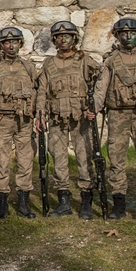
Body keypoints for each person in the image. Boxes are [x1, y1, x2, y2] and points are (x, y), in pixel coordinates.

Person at [92, 18, 136, 220]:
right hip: (118, 115)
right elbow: (101, 87)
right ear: (117, 36)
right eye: (123, 33)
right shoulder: (111, 60)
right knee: (116, 159)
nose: (128, 37)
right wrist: (95, 107)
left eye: (132, 33)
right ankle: (119, 204)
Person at [36, 21, 101, 218]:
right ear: (54, 40)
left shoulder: (84, 61)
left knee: (84, 157)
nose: (63, 39)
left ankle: (86, 201)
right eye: (59, 37)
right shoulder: (49, 64)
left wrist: (95, 105)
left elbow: (102, 80)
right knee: (58, 158)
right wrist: (40, 115)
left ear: (74, 39)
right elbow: (42, 92)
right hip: (56, 118)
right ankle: (64, 201)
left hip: (80, 118)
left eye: (67, 36)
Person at [0, 27, 38, 218]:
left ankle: (23, 204)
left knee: (25, 161)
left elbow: (38, 92)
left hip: (25, 122)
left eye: (15, 42)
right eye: (6, 43)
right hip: (2, 121)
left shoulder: (28, 67)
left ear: (20, 44)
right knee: (0, 162)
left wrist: (39, 115)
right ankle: (2, 204)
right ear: (0, 46)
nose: (11, 46)